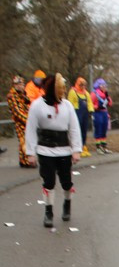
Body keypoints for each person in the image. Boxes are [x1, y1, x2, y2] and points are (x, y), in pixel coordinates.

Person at [25, 72, 82, 227]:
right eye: (61, 88)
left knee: (66, 182)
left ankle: (67, 204)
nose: (63, 91)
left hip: (64, 150)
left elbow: (74, 128)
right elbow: (30, 129)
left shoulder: (67, 106)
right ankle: (48, 211)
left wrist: (76, 149)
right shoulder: (37, 106)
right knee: (48, 182)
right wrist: (30, 153)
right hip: (45, 150)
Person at [6, 75, 32, 167]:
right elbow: (16, 111)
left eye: (22, 84)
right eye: (19, 84)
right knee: (23, 141)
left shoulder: (21, 94)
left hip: (25, 118)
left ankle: (23, 160)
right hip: (19, 121)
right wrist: (27, 120)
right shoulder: (12, 96)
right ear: (15, 85)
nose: (21, 86)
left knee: (26, 140)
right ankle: (26, 160)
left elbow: (28, 102)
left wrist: (24, 94)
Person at [68, 76, 94, 157]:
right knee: (76, 131)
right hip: (76, 113)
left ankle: (83, 146)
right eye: (81, 85)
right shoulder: (73, 92)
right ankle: (76, 148)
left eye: (84, 85)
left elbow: (89, 102)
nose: (83, 87)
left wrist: (91, 110)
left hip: (85, 114)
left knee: (84, 131)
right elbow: (70, 103)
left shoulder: (86, 93)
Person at [91, 77, 113, 154]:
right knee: (99, 130)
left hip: (104, 113)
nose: (104, 87)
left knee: (104, 130)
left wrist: (107, 97)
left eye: (105, 85)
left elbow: (110, 103)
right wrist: (96, 107)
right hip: (97, 113)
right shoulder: (95, 94)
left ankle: (104, 147)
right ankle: (98, 147)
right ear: (99, 86)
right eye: (103, 85)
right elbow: (90, 104)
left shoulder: (105, 94)